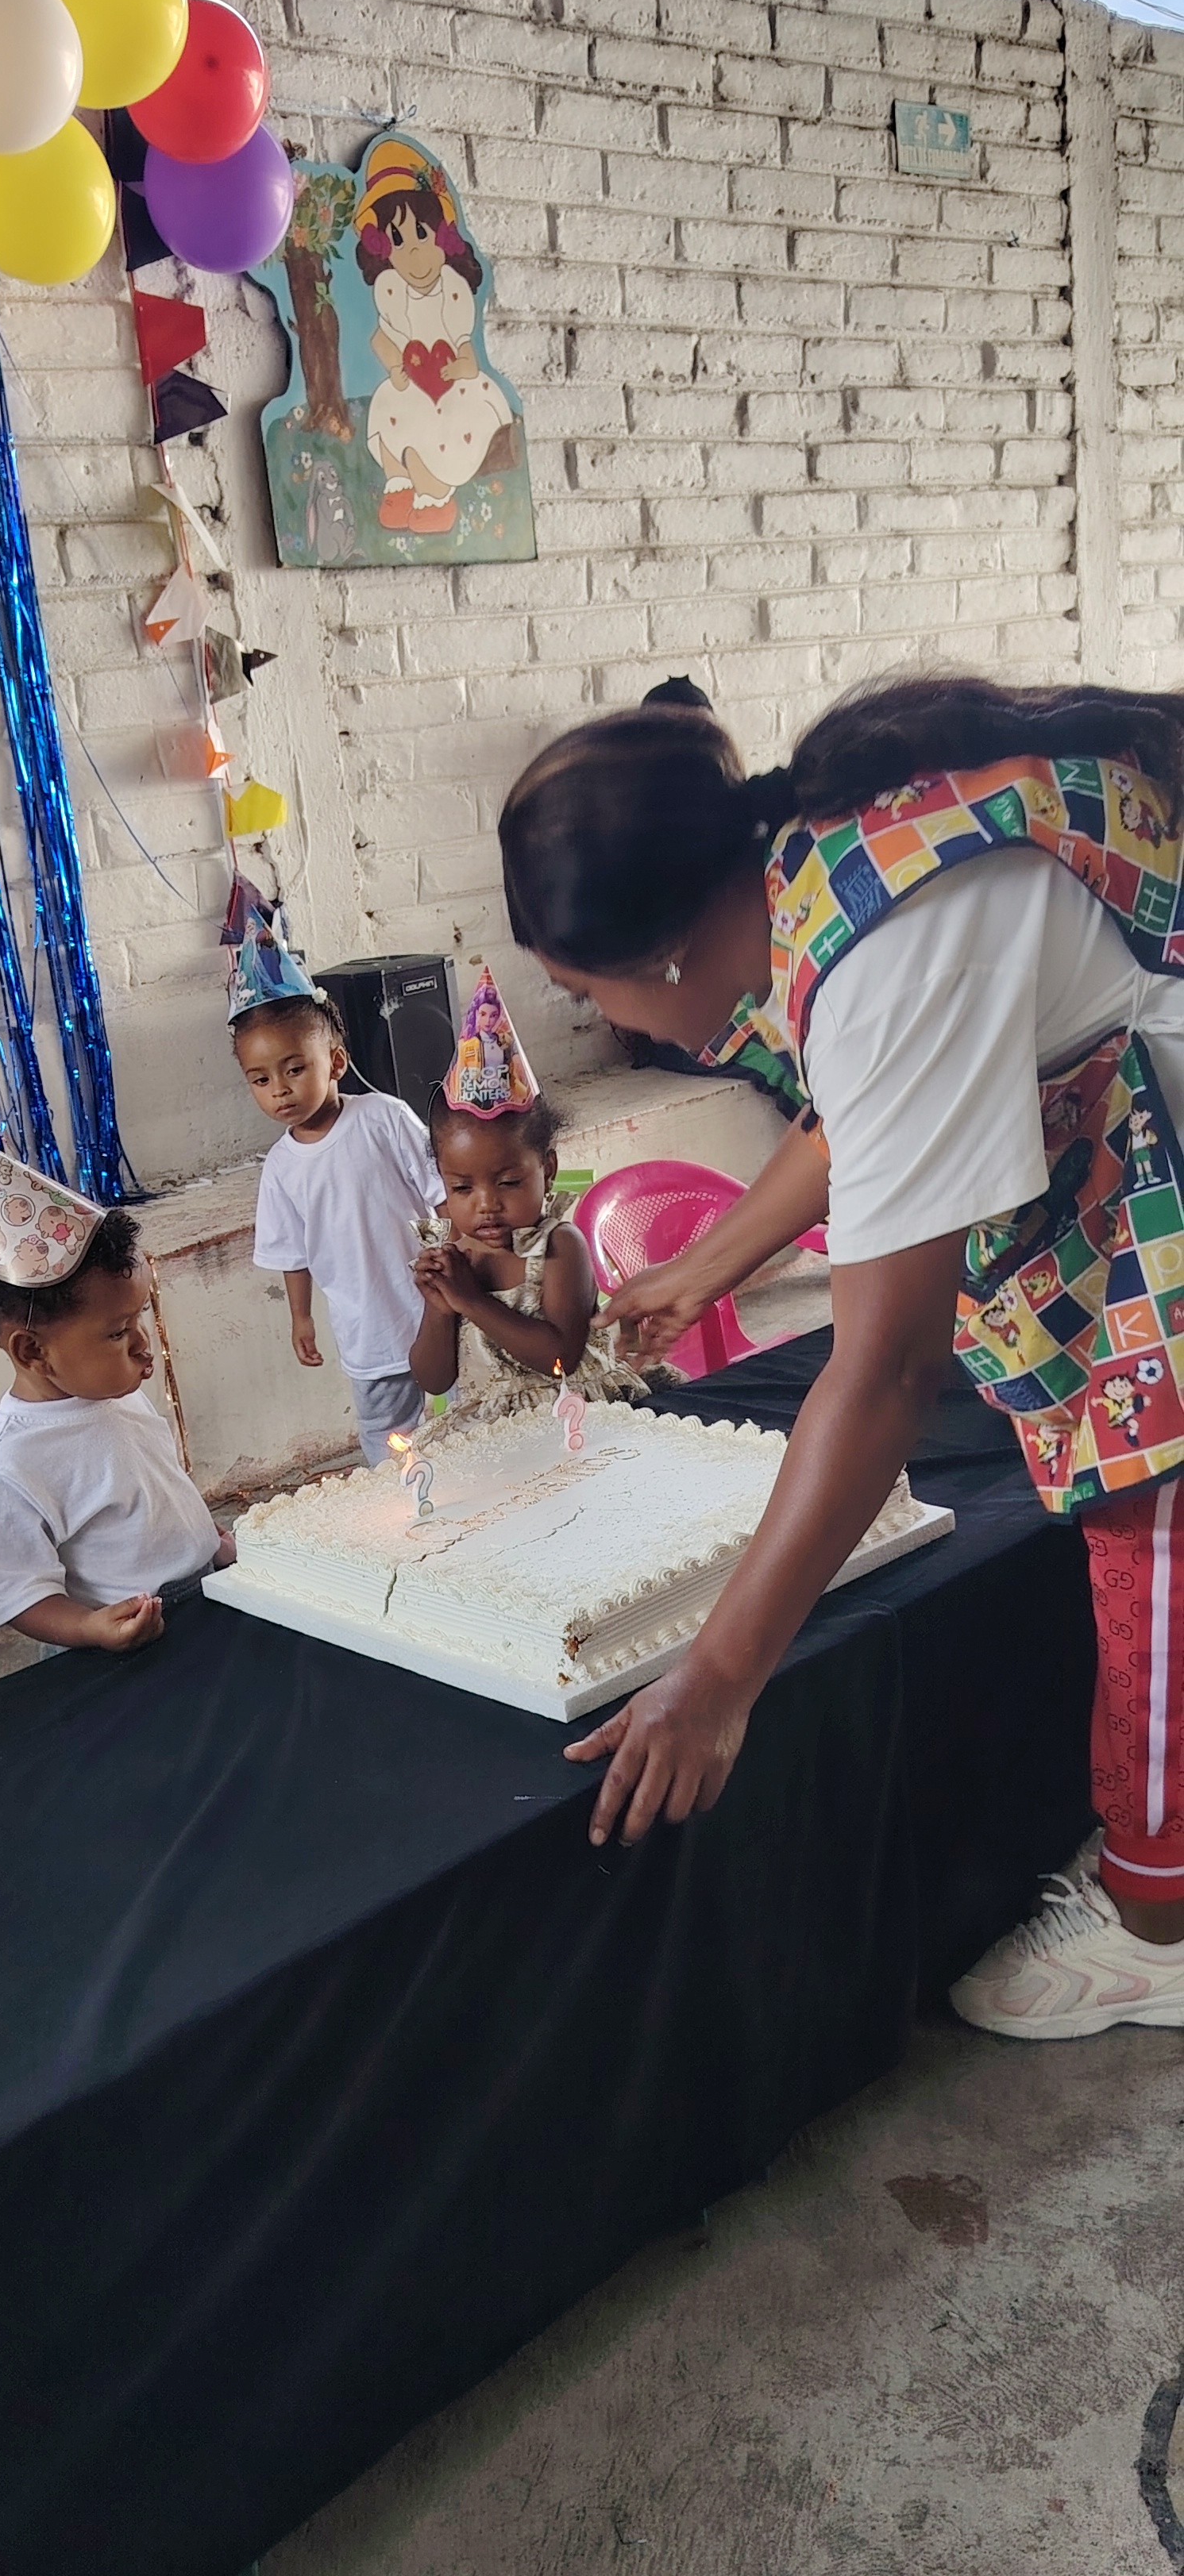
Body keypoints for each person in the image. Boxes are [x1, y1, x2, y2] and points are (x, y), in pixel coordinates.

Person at [498, 676, 1184, 2040]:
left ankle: (1159, 1923)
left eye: (584, 991)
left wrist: (718, 1679)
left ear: (664, 954)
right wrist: (707, 1264)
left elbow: (882, 1375)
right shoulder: (821, 857)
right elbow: (861, 1115)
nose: (610, 1024)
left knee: (1153, 1529)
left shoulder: (884, 954)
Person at [0, 1129, 228, 1651]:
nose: (143, 1344)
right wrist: (89, 1629)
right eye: (118, 1333)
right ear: (34, 1352)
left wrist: (205, 1543)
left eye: (139, 1318)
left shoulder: (113, 1394)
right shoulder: (8, 1468)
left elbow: (154, 1491)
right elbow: (18, 1592)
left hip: (205, 1593)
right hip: (123, 1643)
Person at [232, 922, 445, 1466]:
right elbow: (292, 1254)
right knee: (387, 1435)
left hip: (437, 1304)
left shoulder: (384, 1118)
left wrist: (464, 1257)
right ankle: (406, 1503)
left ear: (337, 1062)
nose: (280, 1089)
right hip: (367, 1328)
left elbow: (440, 1192)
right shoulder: (280, 1169)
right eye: (260, 1080)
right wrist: (300, 1318)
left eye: (295, 1068)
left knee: (462, 1416)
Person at [409, 965, 664, 1418]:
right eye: (462, 1188)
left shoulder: (561, 1248)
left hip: (575, 1419)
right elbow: (433, 1380)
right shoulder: (455, 1260)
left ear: (547, 1170)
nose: (487, 1204)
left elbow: (559, 1357)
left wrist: (471, 1300)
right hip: (496, 1433)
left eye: (508, 1182)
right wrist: (440, 1308)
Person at [353, 138, 512, 535]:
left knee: (434, 434)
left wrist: (459, 368)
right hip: (411, 381)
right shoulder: (391, 289)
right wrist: (394, 366)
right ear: (383, 249)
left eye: (421, 235)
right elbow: (381, 339)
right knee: (389, 413)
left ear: (443, 238)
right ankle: (400, 486)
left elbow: (467, 353)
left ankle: (435, 497)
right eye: (398, 240)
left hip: (453, 389)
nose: (413, 253)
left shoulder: (453, 290)